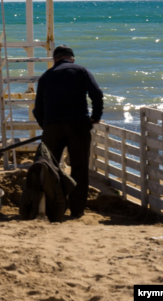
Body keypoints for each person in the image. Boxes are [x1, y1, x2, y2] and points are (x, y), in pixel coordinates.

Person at [32, 45, 104, 219]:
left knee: (51, 168)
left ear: (55, 59)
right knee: (79, 168)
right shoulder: (81, 71)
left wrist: (46, 126)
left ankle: (54, 209)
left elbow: (38, 108)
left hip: (52, 126)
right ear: (72, 58)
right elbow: (97, 95)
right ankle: (77, 210)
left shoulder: (46, 76)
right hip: (78, 125)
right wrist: (95, 117)